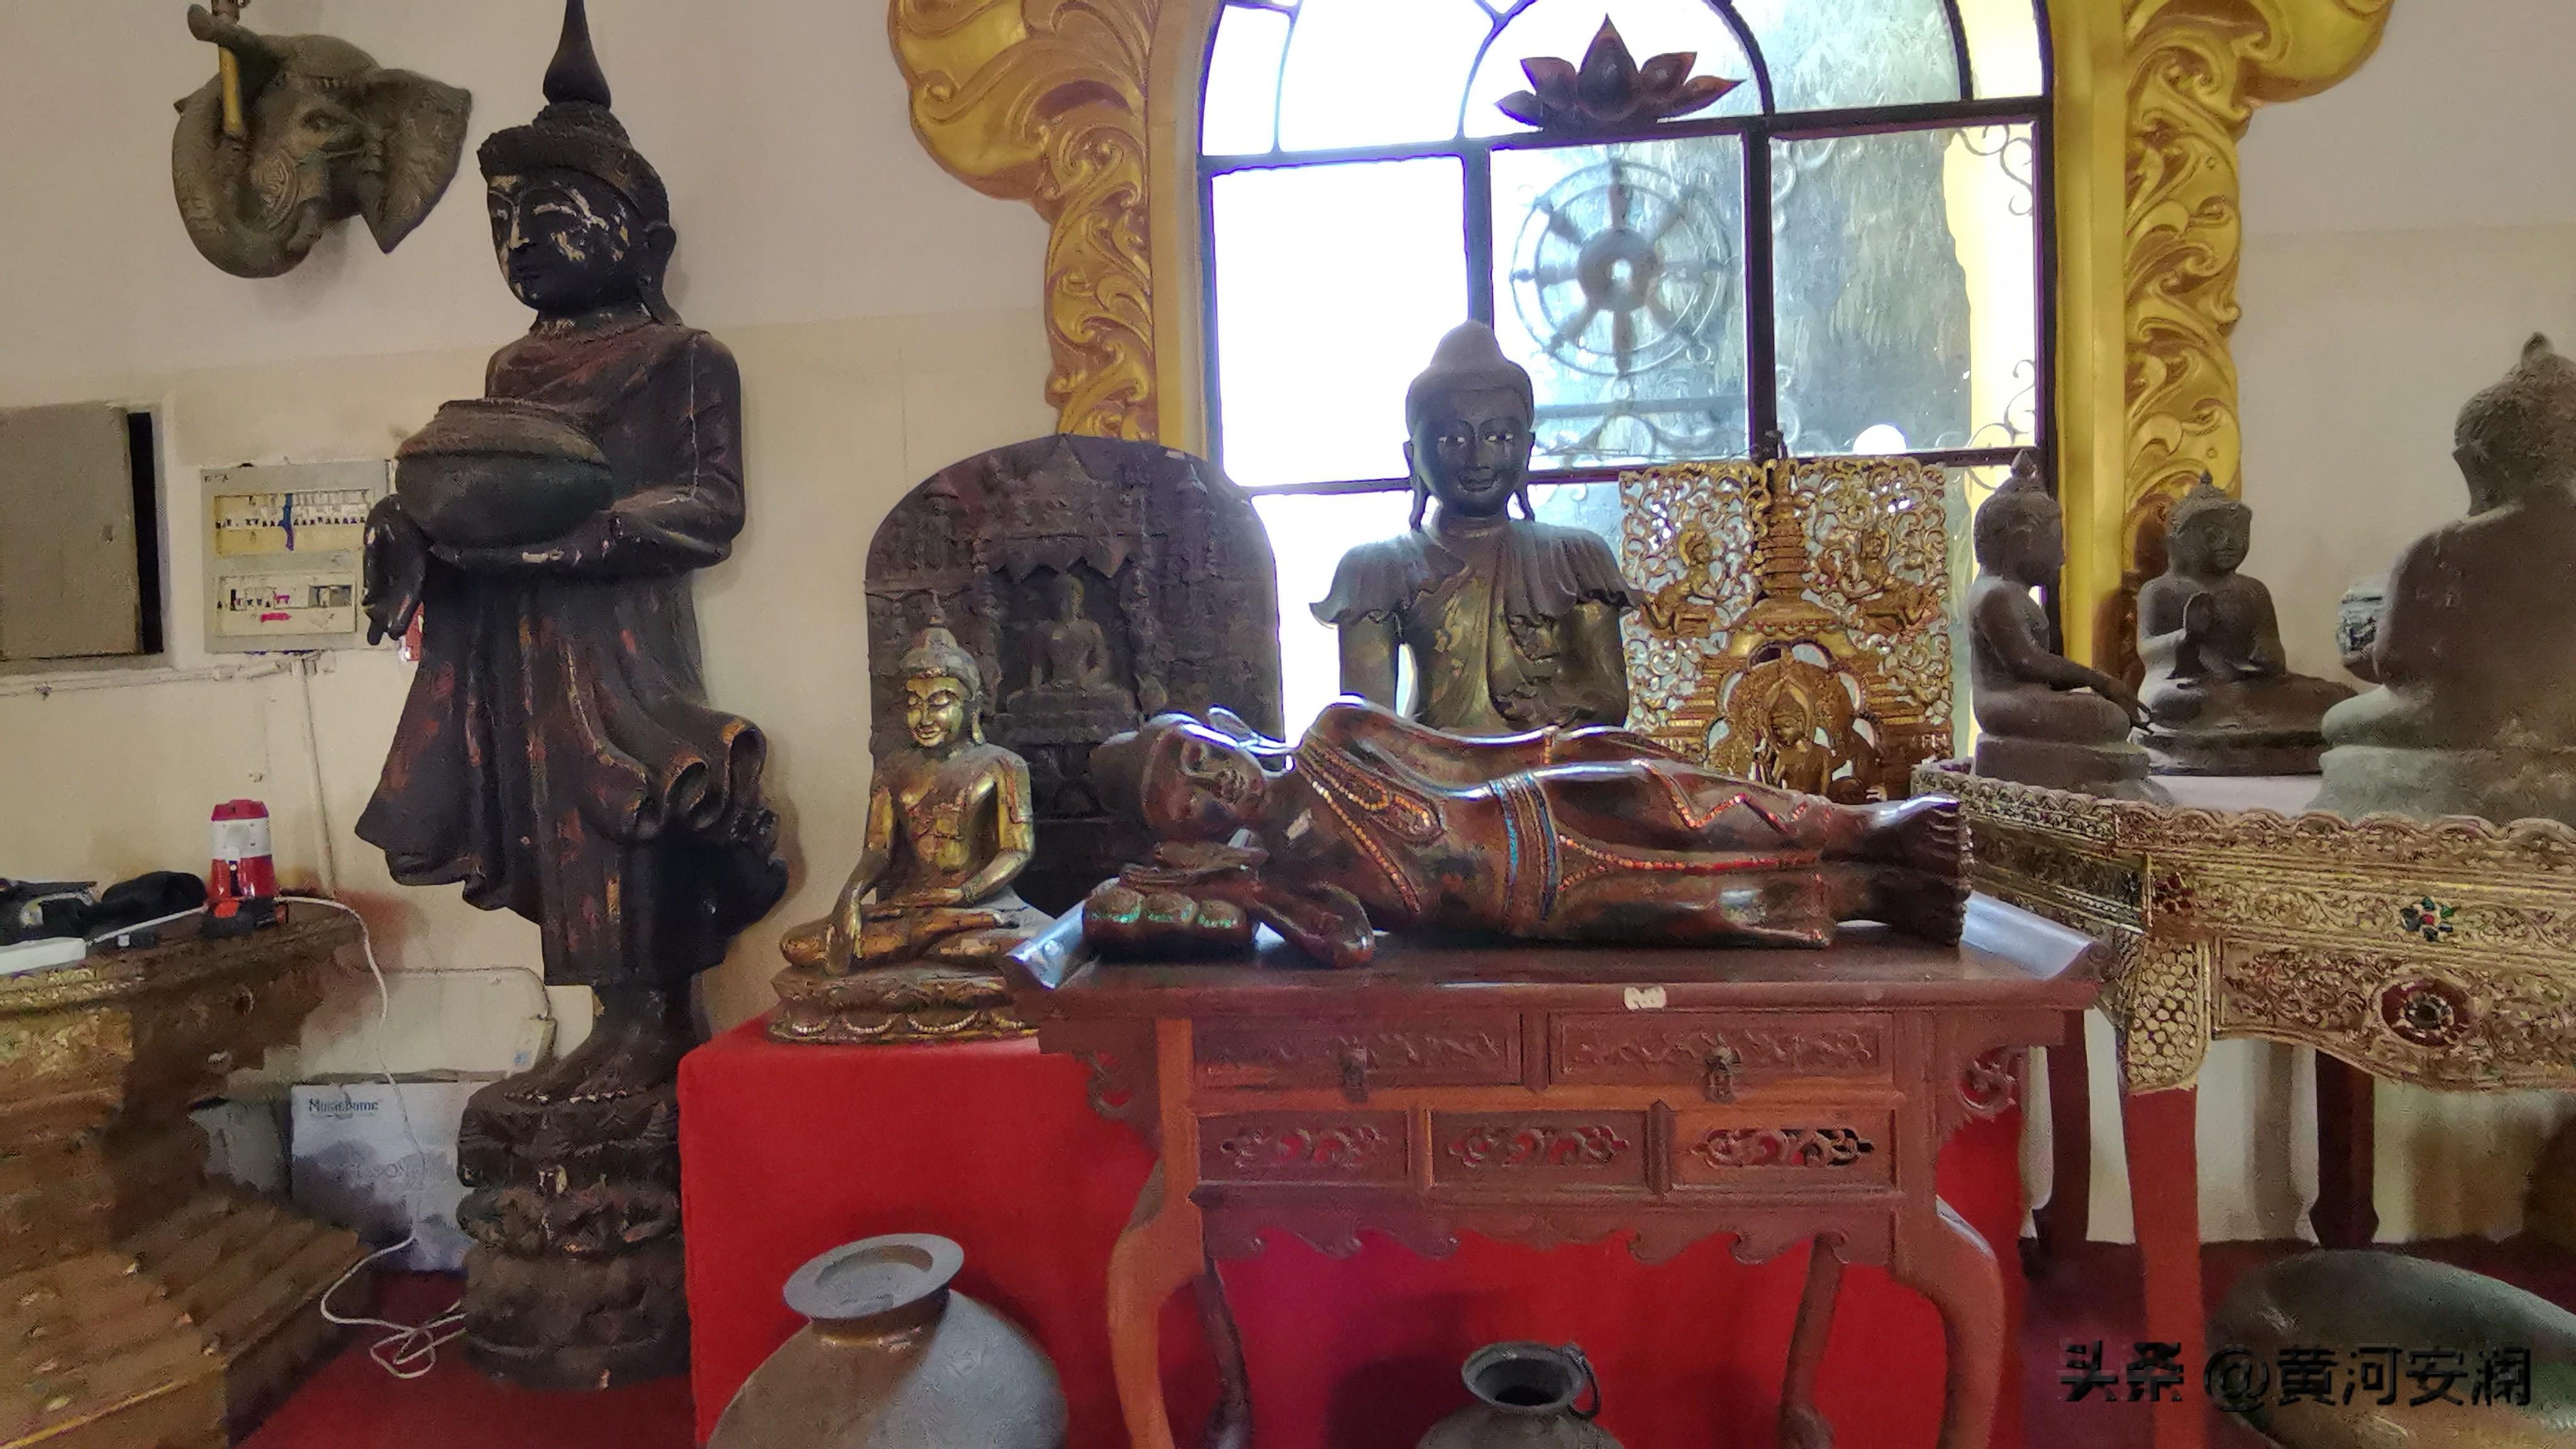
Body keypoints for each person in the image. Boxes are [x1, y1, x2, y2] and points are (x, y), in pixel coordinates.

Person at [357, 0, 783, 1106]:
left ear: (645, 244)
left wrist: (590, 533)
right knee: (542, 812)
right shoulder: (509, 373)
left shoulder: (682, 358)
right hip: (518, 635)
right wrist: (416, 531)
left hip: (618, 633)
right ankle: (607, 1020)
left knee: (624, 797)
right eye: (503, 219)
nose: (522, 239)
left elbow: (712, 505)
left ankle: (653, 1022)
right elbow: (481, 489)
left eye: (552, 212)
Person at [1085, 698, 1964, 967]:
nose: (1215, 785)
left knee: (1687, 811)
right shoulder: (1289, 869)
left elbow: (1465, 754)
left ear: (1221, 734)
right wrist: (1245, 885)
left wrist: (1569, 746)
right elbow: (1349, 945)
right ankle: (1872, 892)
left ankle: (1869, 825)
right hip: (1532, 903)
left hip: (1535, 804)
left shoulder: (1335, 736)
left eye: (1198, 759)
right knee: (1703, 906)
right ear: (1191, 837)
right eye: (1191, 806)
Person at [1314, 323, 1635, 735]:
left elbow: (1608, 701)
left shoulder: (1575, 558)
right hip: (1430, 767)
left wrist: (1545, 709)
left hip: (1548, 762)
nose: (1478, 459)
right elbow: (1366, 726)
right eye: (1452, 440)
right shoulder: (1375, 569)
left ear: (1527, 449)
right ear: (1413, 456)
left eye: (1499, 437)